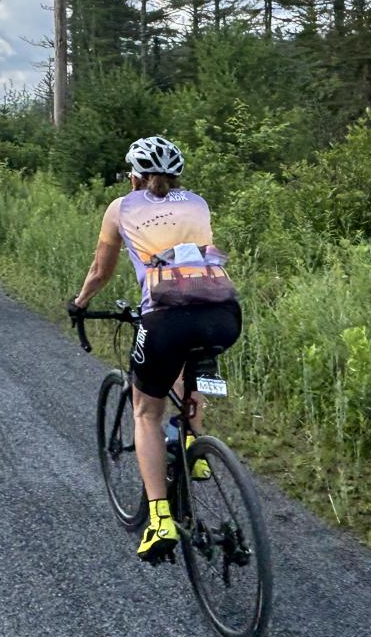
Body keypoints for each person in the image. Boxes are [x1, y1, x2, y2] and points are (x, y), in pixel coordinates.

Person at [67, 136, 241, 565]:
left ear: (133, 176)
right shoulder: (198, 204)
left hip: (166, 319)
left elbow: (100, 270)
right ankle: (194, 450)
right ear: (177, 176)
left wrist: (81, 302)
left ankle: (160, 519)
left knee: (146, 411)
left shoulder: (121, 208)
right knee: (189, 373)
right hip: (224, 314)